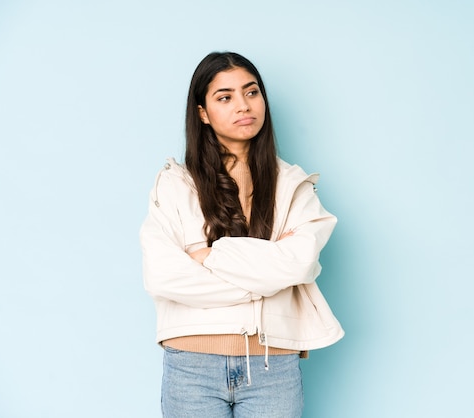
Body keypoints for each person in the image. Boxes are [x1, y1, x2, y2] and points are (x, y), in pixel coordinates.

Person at [140, 51, 344, 418]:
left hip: (273, 366)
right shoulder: (175, 184)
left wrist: (212, 257)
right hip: (192, 365)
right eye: (225, 97)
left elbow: (300, 264)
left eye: (251, 92)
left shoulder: (292, 185)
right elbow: (163, 275)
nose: (243, 105)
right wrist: (269, 278)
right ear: (202, 112)